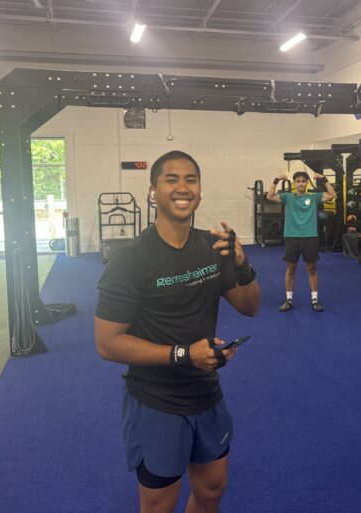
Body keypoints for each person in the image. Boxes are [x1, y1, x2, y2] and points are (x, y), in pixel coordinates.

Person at [94, 150, 261, 513]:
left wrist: (242, 262)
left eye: (191, 179)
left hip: (207, 395)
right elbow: (107, 344)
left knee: (212, 490)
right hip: (156, 401)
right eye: (171, 179)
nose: (182, 187)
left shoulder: (213, 247)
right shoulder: (130, 260)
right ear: (153, 190)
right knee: (159, 506)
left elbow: (249, 307)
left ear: (200, 191)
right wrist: (185, 353)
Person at [266, 170, 336, 312]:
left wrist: (324, 179)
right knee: (291, 269)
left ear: (306, 183)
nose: (301, 184)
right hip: (292, 237)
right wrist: (276, 179)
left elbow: (332, 195)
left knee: (311, 269)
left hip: (310, 236)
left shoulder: (314, 197)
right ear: (294, 184)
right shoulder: (288, 197)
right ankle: (289, 300)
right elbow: (270, 196)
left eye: (303, 181)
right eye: (298, 181)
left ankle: (315, 300)